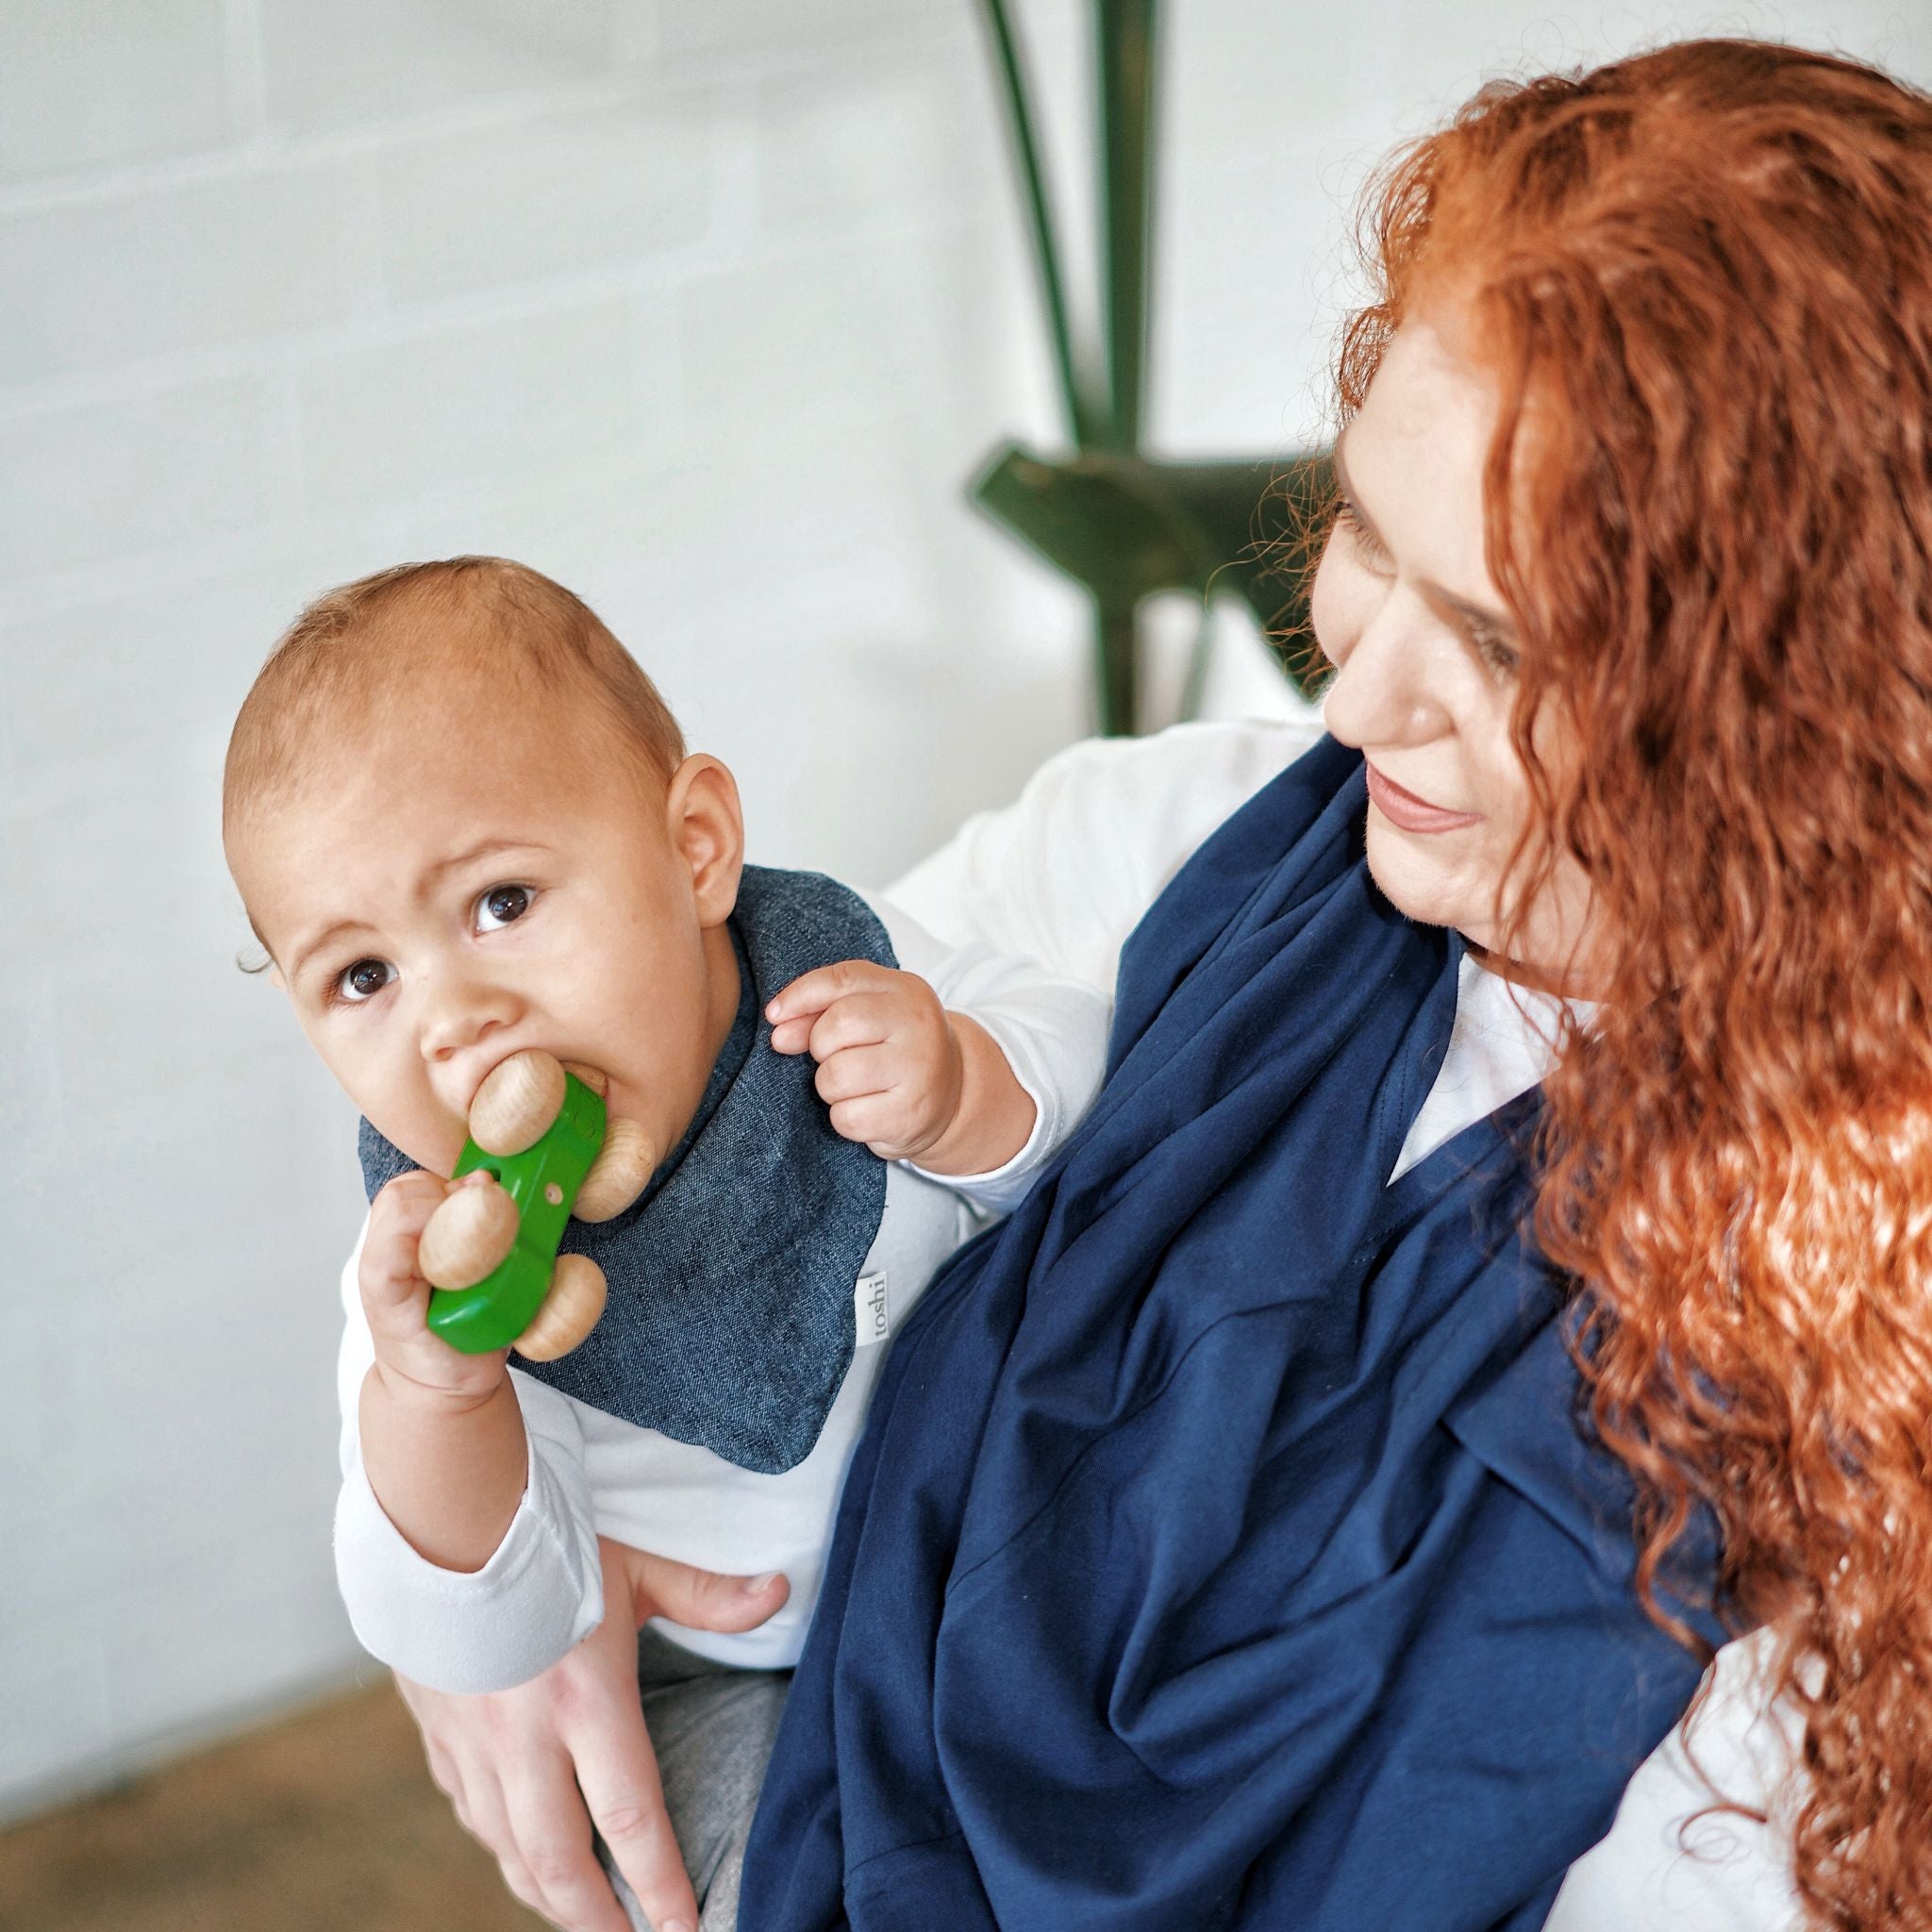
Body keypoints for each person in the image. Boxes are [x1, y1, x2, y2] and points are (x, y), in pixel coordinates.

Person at [393, 36, 1932, 1932]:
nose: (1351, 695)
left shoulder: (1853, 1324)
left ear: (1793, 713)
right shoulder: (1174, 849)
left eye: (1510, 643)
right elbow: (618, 1098)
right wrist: (491, 1567)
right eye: (1368, 533)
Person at [219, 558, 1110, 1932]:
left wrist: (967, 1087)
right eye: (362, 977)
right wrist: (444, 1392)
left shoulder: (831, 976)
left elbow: (1105, 1106)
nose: (450, 1019)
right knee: (776, 1891)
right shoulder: (430, 1269)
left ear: (693, 849)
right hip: (716, 1675)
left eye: (503, 902)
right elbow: (480, 1633)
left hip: (989, 1562)